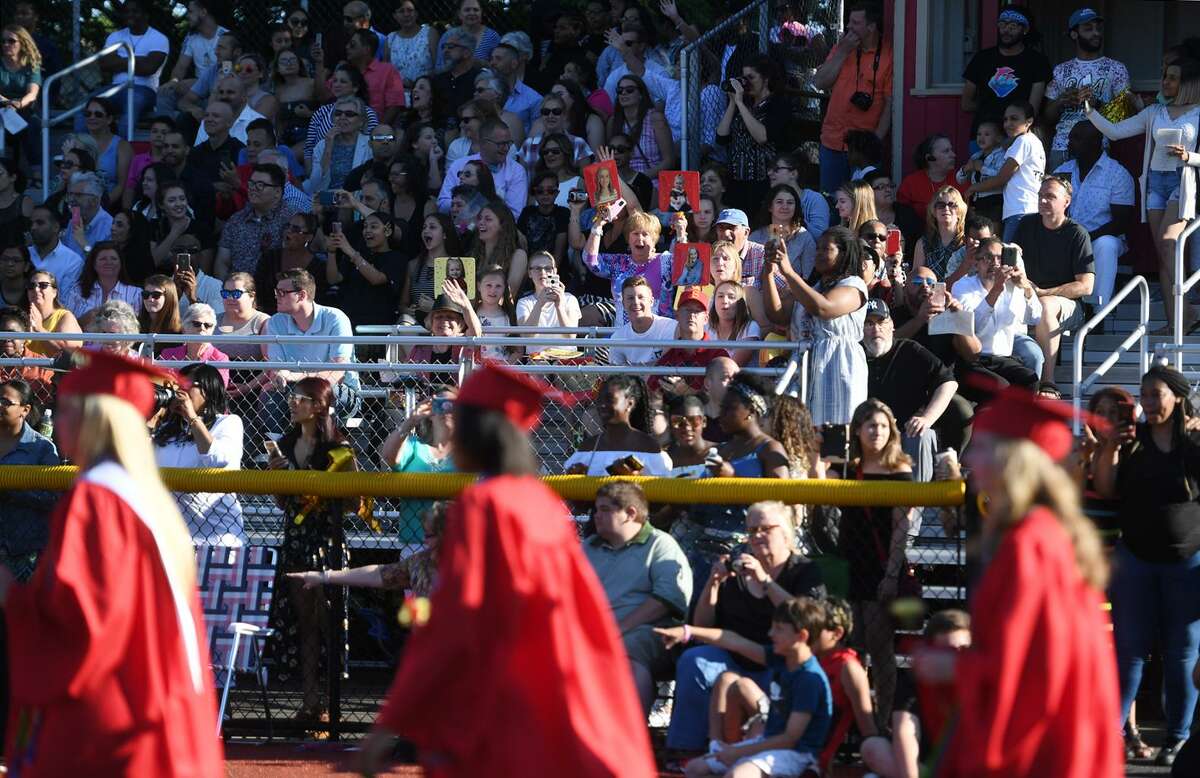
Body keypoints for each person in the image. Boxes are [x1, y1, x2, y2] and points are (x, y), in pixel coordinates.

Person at [355, 362, 657, 777]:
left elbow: (451, 621)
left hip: (509, 694)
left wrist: (389, 723)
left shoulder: (483, 507)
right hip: (562, 688)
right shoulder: (541, 503)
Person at [0, 349, 224, 774]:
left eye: (64, 410)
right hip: (164, 710)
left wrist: (11, 593)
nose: (55, 421)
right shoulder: (144, 497)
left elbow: (79, 623)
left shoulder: (97, 500)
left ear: (93, 420)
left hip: (116, 723)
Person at [929, 386, 1123, 777]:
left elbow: (1029, 672)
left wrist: (951, 667)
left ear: (1011, 461)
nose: (970, 459)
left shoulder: (1029, 545)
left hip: (1044, 746)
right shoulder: (1049, 534)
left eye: (982, 448)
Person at [1094, 364, 1200, 767]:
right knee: (1129, 653)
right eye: (1146, 395)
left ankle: (1178, 738)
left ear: (1176, 396)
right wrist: (1109, 449)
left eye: (1157, 394)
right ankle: (1111, 735)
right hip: (1136, 558)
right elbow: (1105, 487)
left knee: (1182, 654)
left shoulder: (1193, 440)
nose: (1150, 403)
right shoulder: (1131, 439)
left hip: (1187, 561)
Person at [665, 500, 826, 752]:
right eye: (751, 531)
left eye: (765, 529)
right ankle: (685, 750)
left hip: (780, 663)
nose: (757, 536)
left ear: (785, 532)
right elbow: (702, 626)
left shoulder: (803, 571)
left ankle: (734, 751)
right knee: (694, 659)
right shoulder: (738, 570)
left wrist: (764, 581)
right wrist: (714, 583)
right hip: (734, 658)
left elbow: (805, 620)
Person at [264, 376, 355, 728]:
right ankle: (309, 700)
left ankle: (331, 702)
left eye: (301, 398)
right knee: (304, 625)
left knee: (328, 621)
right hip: (296, 539)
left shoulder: (338, 446)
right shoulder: (285, 443)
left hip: (326, 541)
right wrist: (280, 478)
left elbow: (353, 501)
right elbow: (282, 502)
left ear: (319, 405)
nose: (293, 403)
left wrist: (315, 491)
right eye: (292, 397)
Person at [656, 597, 833, 778]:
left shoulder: (810, 679)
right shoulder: (781, 658)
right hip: (769, 742)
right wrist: (688, 631)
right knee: (695, 768)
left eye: (779, 629)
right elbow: (734, 641)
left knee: (738, 775)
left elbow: (790, 739)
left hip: (797, 754)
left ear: (801, 636)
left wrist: (739, 752)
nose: (771, 633)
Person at [1085, 57, 1200, 331]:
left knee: (1170, 242)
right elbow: (1114, 132)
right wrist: (1089, 109)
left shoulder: (1198, 112)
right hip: (1154, 184)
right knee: (1163, 253)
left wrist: (1190, 156)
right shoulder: (1154, 112)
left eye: (1172, 77)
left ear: (1188, 83)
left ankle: (1188, 311)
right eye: (1165, 76)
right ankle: (1176, 323)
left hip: (1181, 182)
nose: (1165, 82)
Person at [835, 398, 916, 723]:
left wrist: (891, 575)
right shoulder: (847, 467)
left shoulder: (900, 469)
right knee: (851, 647)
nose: (877, 432)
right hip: (849, 563)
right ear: (857, 430)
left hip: (882, 566)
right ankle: (853, 720)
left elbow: (901, 526)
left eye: (883, 426)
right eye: (870, 426)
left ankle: (881, 720)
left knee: (880, 650)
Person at [584, 482, 692, 712]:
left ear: (630, 513)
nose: (596, 516)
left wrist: (616, 629)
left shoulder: (660, 545)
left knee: (627, 648)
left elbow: (666, 599)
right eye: (596, 509)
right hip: (591, 629)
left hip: (645, 630)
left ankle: (632, 736)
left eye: (604, 509)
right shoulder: (589, 547)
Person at [762, 227, 868, 427]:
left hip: (838, 366)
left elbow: (823, 307)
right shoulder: (812, 289)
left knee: (835, 438)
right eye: (817, 249)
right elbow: (777, 315)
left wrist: (789, 272)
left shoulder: (854, 285)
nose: (817, 254)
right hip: (805, 368)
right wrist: (768, 272)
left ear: (843, 253)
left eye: (825, 249)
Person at [862, 299, 969, 474]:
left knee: (921, 434)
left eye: (882, 322)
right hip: (868, 433)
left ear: (892, 326)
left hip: (907, 434)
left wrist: (927, 418)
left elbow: (948, 382)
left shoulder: (910, 349)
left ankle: (916, 501)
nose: (876, 329)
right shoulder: (853, 354)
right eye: (868, 323)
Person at [860, 609, 972, 778]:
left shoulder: (982, 680)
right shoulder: (916, 680)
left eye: (962, 649)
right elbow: (905, 731)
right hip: (925, 764)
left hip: (971, 763)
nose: (953, 657)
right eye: (945, 650)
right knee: (872, 747)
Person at [1012, 176, 1095, 381]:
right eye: (1040, 195)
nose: (1042, 200)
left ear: (1066, 202)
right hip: (1027, 296)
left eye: (1050, 196)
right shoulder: (1027, 224)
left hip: (1068, 306)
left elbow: (1086, 286)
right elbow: (1011, 260)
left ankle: (1047, 382)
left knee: (1046, 305)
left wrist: (1043, 293)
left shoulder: (1077, 234)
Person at [151, 362, 243, 545]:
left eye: (186, 386)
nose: (179, 393)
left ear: (207, 390)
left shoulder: (227, 423)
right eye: (177, 386)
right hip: (173, 540)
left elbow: (217, 459)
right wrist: (152, 419)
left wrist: (192, 417)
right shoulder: (169, 429)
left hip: (218, 538)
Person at [261, 269, 360, 429]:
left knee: (318, 395)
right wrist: (280, 375)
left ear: (301, 295)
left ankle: (329, 448)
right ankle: (276, 450)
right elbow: (277, 369)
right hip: (293, 390)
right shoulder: (275, 322)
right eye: (276, 292)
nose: (276, 296)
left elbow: (336, 374)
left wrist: (295, 376)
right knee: (270, 396)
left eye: (281, 292)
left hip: (338, 390)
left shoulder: (335, 318)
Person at [1052, 121, 1135, 308]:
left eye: (1077, 138)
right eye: (1071, 138)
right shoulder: (1062, 171)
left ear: (1096, 142)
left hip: (1102, 237)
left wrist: (1085, 238)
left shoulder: (1117, 173)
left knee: (1106, 245)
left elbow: (1121, 222)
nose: (1070, 143)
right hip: (1066, 236)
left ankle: (1098, 311)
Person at [813, 2, 893, 195]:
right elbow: (820, 82)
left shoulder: (889, 55)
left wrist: (875, 141)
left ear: (871, 27)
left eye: (855, 22)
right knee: (831, 200)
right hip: (833, 141)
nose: (849, 26)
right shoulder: (842, 48)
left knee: (863, 202)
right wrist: (842, 52)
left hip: (864, 147)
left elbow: (891, 104)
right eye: (849, 21)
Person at [1043, 9, 1131, 171]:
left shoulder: (1116, 68)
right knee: (1057, 195)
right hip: (1062, 146)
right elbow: (1047, 117)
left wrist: (1096, 105)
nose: (1096, 33)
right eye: (1088, 29)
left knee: (1093, 196)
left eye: (1098, 28)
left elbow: (1124, 115)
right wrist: (1062, 101)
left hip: (1097, 145)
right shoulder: (1061, 70)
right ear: (1074, 34)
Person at [953, 237, 1045, 379]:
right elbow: (974, 327)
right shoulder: (962, 287)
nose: (995, 263)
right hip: (976, 356)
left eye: (1000, 258)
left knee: (1033, 362)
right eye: (987, 258)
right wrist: (996, 289)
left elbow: (1035, 318)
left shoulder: (1014, 285)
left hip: (1005, 354)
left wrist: (1026, 287)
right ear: (976, 263)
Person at [715, 55, 790, 213]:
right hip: (737, 178)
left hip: (761, 180)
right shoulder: (745, 103)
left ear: (766, 79)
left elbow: (762, 136)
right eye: (744, 78)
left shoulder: (777, 104)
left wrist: (741, 104)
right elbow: (721, 137)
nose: (747, 83)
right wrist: (733, 103)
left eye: (751, 77)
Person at [0, 378, 58, 580]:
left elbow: (53, 498)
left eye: (6, 402)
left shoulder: (41, 448)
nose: (0, 405)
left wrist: (11, 489)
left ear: (25, 410)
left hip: (25, 555)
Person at [960, 5, 1051, 132]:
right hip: (984, 134)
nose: (1006, 30)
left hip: (1017, 134)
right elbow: (966, 103)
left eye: (1012, 26)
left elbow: (1032, 110)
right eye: (1002, 25)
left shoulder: (1037, 61)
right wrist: (988, 108)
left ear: (1024, 29)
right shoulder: (982, 58)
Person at [968, 102, 1046, 242]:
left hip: (1020, 209)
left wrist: (973, 188)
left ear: (1029, 121)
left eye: (1014, 119)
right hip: (1029, 207)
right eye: (1005, 119)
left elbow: (1001, 178)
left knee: (1009, 260)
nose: (1008, 123)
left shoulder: (1022, 141)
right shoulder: (1035, 142)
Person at [565, 374, 671, 476]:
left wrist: (634, 476)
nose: (602, 405)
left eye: (610, 400)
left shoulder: (649, 448)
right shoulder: (588, 447)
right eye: (600, 399)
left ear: (630, 404)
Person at [87, 0, 170, 127]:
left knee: (132, 102)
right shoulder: (115, 37)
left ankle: (123, 145)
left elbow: (149, 68)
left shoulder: (159, 38)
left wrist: (119, 60)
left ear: (145, 14)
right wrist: (137, 60)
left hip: (144, 90)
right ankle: (82, 145)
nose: (129, 15)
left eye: (135, 11)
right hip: (115, 88)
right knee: (88, 103)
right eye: (126, 12)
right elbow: (104, 64)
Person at [215, 164, 298, 278]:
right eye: (251, 183)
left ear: (277, 192)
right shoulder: (236, 220)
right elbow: (222, 262)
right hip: (236, 291)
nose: (253, 188)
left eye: (260, 185)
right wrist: (228, 291)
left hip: (275, 290)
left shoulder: (291, 220)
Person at [438, 118, 527, 218]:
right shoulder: (459, 164)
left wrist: (473, 208)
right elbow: (442, 203)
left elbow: (515, 214)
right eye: (501, 144)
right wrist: (460, 206)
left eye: (509, 143)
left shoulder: (517, 171)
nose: (506, 148)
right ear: (483, 143)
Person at [62, 241, 142, 325]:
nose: (108, 262)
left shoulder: (136, 294)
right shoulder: (77, 291)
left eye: (113, 259)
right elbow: (66, 325)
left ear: (121, 263)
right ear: (93, 264)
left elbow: (140, 327)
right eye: (103, 259)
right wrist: (85, 319)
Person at [606, 275, 678, 367]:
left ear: (651, 301)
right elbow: (617, 376)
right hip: (634, 381)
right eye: (630, 298)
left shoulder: (670, 327)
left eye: (641, 297)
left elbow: (671, 367)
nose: (636, 302)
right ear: (623, 303)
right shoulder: (617, 338)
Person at [896, 135, 967, 220]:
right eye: (946, 151)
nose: (953, 155)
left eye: (951, 150)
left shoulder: (960, 178)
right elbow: (902, 215)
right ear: (930, 158)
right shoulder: (910, 183)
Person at [0, 24, 42, 168]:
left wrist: (17, 104)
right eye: (3, 41)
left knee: (33, 124)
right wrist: (7, 103)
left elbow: (32, 94)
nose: (6, 44)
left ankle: (36, 171)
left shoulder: (31, 65)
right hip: (2, 106)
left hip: (23, 107)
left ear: (22, 43)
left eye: (11, 41)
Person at [25, 269, 82, 357]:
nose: (36, 289)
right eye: (31, 286)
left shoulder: (65, 317)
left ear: (54, 292)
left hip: (54, 370)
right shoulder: (22, 317)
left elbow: (68, 356)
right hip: (26, 370)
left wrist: (40, 330)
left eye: (43, 285)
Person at [912, 187, 965, 279]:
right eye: (941, 205)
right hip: (930, 292)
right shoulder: (923, 243)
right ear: (934, 211)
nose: (946, 208)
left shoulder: (967, 242)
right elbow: (915, 279)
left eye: (952, 205)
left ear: (959, 211)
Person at [385, 0, 438, 83]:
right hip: (397, 93)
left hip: (425, 92)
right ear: (394, 16)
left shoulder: (429, 34)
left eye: (410, 10)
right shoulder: (390, 39)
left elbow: (438, 67)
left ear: (416, 13)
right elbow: (385, 73)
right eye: (401, 11)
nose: (406, 14)